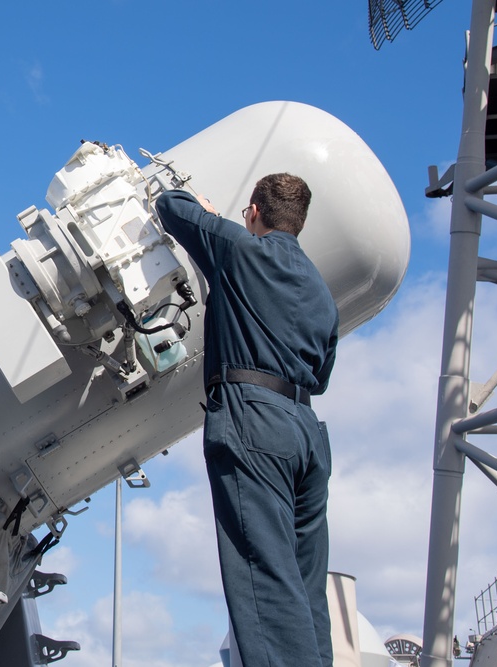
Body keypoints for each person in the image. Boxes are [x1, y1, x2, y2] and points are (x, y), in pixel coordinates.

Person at [155, 174, 338, 667]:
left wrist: (209, 213)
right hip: (306, 431)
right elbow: (320, 375)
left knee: (265, 582)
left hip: (254, 423)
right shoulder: (320, 289)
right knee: (304, 588)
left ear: (254, 210)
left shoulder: (239, 248)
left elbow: (170, 205)